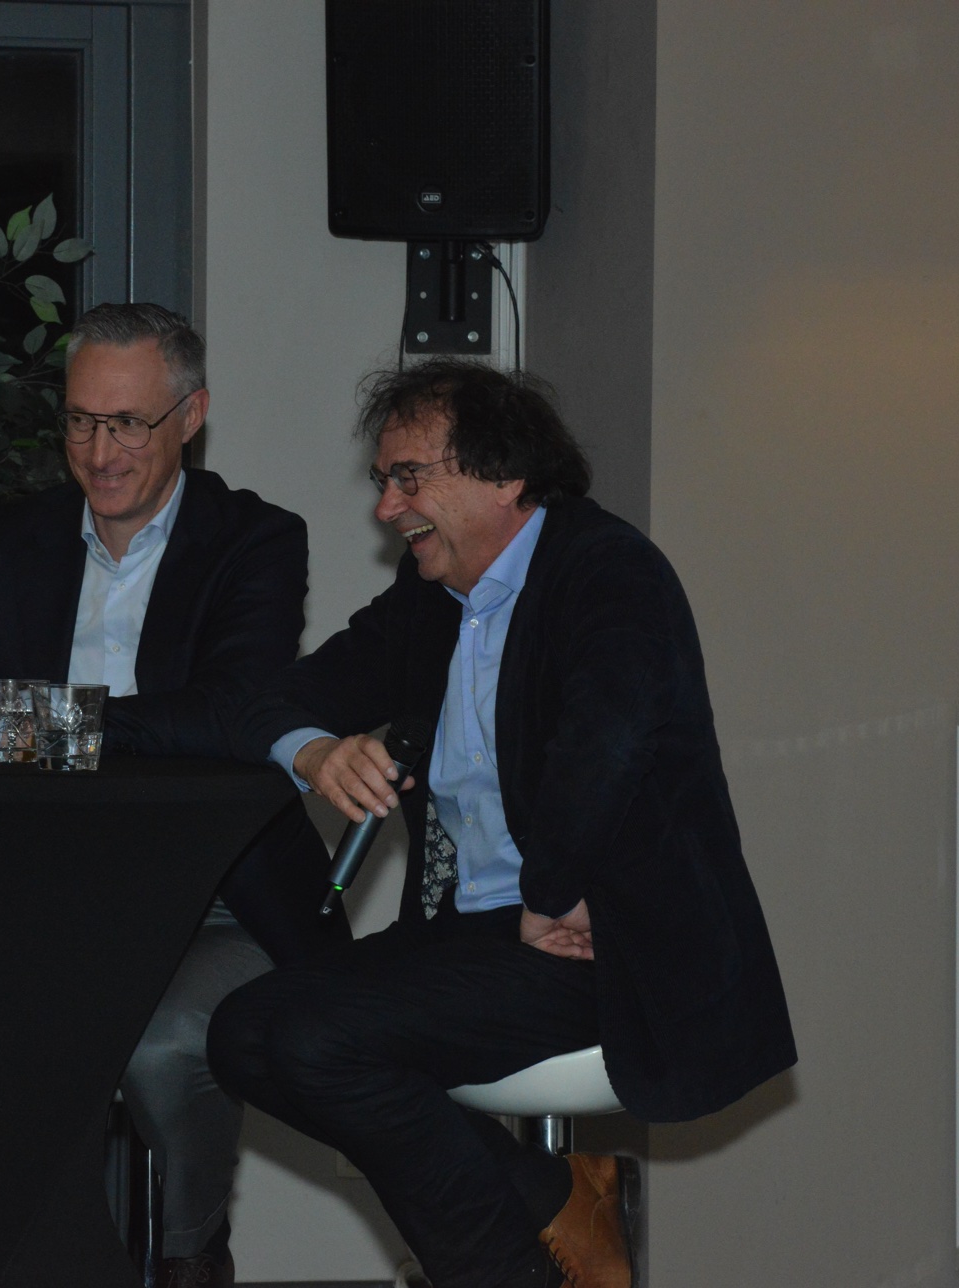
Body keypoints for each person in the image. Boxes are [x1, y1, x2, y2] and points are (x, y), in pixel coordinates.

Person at [209, 360, 797, 1288]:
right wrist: (312, 751)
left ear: (505, 475)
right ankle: (556, 1196)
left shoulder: (608, 571)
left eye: (410, 478)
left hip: (603, 942)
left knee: (320, 1040)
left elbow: (606, 746)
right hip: (481, 931)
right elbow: (272, 700)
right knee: (242, 1033)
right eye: (383, 481)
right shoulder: (431, 599)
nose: (387, 509)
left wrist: (551, 892)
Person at [0, 302, 339, 1287]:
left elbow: (228, 709)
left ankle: (188, 1255)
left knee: (163, 1047)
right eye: (82, 421)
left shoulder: (254, 540)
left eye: (128, 423)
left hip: (219, 896)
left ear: (191, 416)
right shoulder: (15, 539)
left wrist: (48, 719)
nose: (100, 453)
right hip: (40, 891)